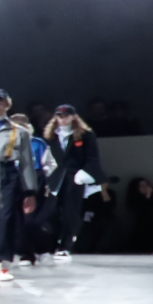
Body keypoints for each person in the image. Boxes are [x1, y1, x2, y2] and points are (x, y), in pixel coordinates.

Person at [0, 90, 38, 281]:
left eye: (0, 102)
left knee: (6, 217)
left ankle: (1, 264)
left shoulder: (18, 132)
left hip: (7, 173)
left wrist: (30, 191)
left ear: (7, 105)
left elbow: (27, 162)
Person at [42, 104, 104, 258]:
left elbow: (92, 158)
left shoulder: (85, 135)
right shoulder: (52, 136)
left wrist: (85, 174)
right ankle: (53, 242)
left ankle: (65, 246)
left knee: (71, 212)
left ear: (73, 117)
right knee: (51, 212)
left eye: (66, 115)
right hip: (56, 178)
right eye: (60, 116)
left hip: (76, 177)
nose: (63, 119)